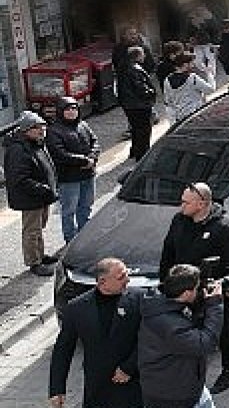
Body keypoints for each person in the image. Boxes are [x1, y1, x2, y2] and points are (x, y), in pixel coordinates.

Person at [159, 182, 229, 393]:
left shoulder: (223, 228)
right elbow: (168, 251)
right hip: (182, 288)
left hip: (210, 290)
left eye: (185, 202)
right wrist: (165, 281)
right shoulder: (179, 221)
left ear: (201, 204)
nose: (181, 206)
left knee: (224, 329)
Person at [49, 257, 144, 408]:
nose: (127, 280)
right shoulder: (78, 308)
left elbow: (149, 338)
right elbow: (63, 349)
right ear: (102, 282)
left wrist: (129, 367)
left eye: (126, 274)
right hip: (97, 388)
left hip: (132, 385)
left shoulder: (138, 300)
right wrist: (57, 389)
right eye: (121, 277)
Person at [138, 264, 224, 408]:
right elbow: (205, 343)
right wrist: (215, 306)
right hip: (173, 396)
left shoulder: (163, 304)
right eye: (196, 288)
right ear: (185, 293)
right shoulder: (171, 325)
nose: (199, 291)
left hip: (187, 386)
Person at [3, 111, 58, 276]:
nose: (41, 131)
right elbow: (20, 179)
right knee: (32, 231)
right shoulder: (18, 150)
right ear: (26, 130)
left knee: (38, 228)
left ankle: (40, 255)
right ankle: (34, 262)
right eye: (36, 128)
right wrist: (43, 189)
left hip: (41, 196)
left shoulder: (35, 143)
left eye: (42, 127)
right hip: (31, 198)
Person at [45, 97, 99, 243]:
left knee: (86, 207)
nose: (71, 112)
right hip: (69, 178)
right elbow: (60, 154)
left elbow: (95, 142)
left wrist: (93, 157)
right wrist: (84, 160)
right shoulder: (54, 131)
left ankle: (85, 235)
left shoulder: (83, 125)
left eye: (74, 108)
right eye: (68, 109)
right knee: (69, 211)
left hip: (88, 174)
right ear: (60, 111)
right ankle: (70, 239)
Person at [116, 45, 158, 161]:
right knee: (144, 130)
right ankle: (142, 154)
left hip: (129, 104)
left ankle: (135, 151)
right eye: (143, 54)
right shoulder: (135, 69)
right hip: (139, 105)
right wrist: (151, 93)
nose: (144, 56)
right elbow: (141, 88)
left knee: (135, 128)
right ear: (138, 56)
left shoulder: (123, 67)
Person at [162, 53, 217, 123]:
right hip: (195, 115)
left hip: (179, 117)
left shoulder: (167, 79)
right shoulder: (193, 78)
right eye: (191, 63)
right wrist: (209, 74)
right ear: (185, 64)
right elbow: (211, 90)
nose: (193, 65)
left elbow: (168, 101)